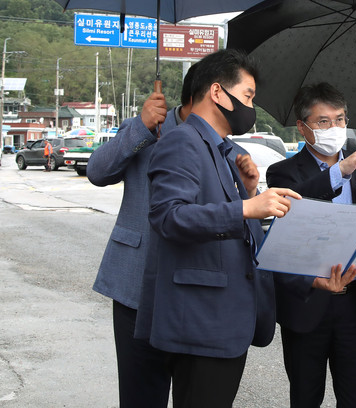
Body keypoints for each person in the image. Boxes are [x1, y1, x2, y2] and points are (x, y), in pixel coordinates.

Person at [134, 49, 303, 408]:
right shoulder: (182, 142)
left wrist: (251, 194)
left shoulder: (223, 150)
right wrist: (246, 206)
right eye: (247, 96)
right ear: (216, 93)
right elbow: (168, 217)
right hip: (200, 323)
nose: (250, 107)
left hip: (224, 321)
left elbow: (237, 227)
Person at [266, 82, 356, 408]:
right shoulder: (282, 172)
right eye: (323, 122)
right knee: (306, 398)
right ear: (303, 127)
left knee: (355, 400)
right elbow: (296, 205)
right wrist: (340, 171)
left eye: (340, 120)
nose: (334, 128)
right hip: (308, 302)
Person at [86, 61, 202, 407]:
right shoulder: (150, 127)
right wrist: (141, 126)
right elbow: (97, 171)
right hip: (135, 285)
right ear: (207, 94)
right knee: (139, 395)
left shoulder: (223, 142)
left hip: (191, 293)